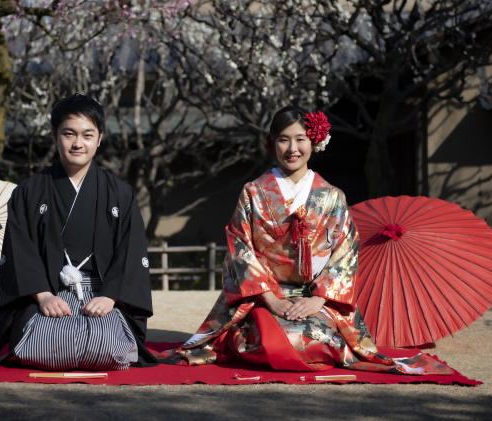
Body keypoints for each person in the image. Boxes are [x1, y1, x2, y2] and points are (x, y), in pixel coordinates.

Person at [156, 106, 452, 375]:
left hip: (314, 298)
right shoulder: (253, 193)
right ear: (272, 143)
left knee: (314, 338)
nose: (292, 149)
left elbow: (345, 253)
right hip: (262, 297)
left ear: (314, 141)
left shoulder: (332, 196)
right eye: (283, 140)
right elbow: (240, 249)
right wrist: (273, 301)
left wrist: (316, 300)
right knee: (262, 339)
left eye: (300, 139)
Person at [0, 94, 157, 370]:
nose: (78, 143)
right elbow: (19, 251)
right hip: (49, 294)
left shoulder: (120, 193)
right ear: (54, 135)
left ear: (99, 138)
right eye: (69, 134)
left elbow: (131, 251)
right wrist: (43, 295)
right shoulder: (28, 192)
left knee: (107, 347)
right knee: (43, 345)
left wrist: (110, 297)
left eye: (87, 135)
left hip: (102, 295)